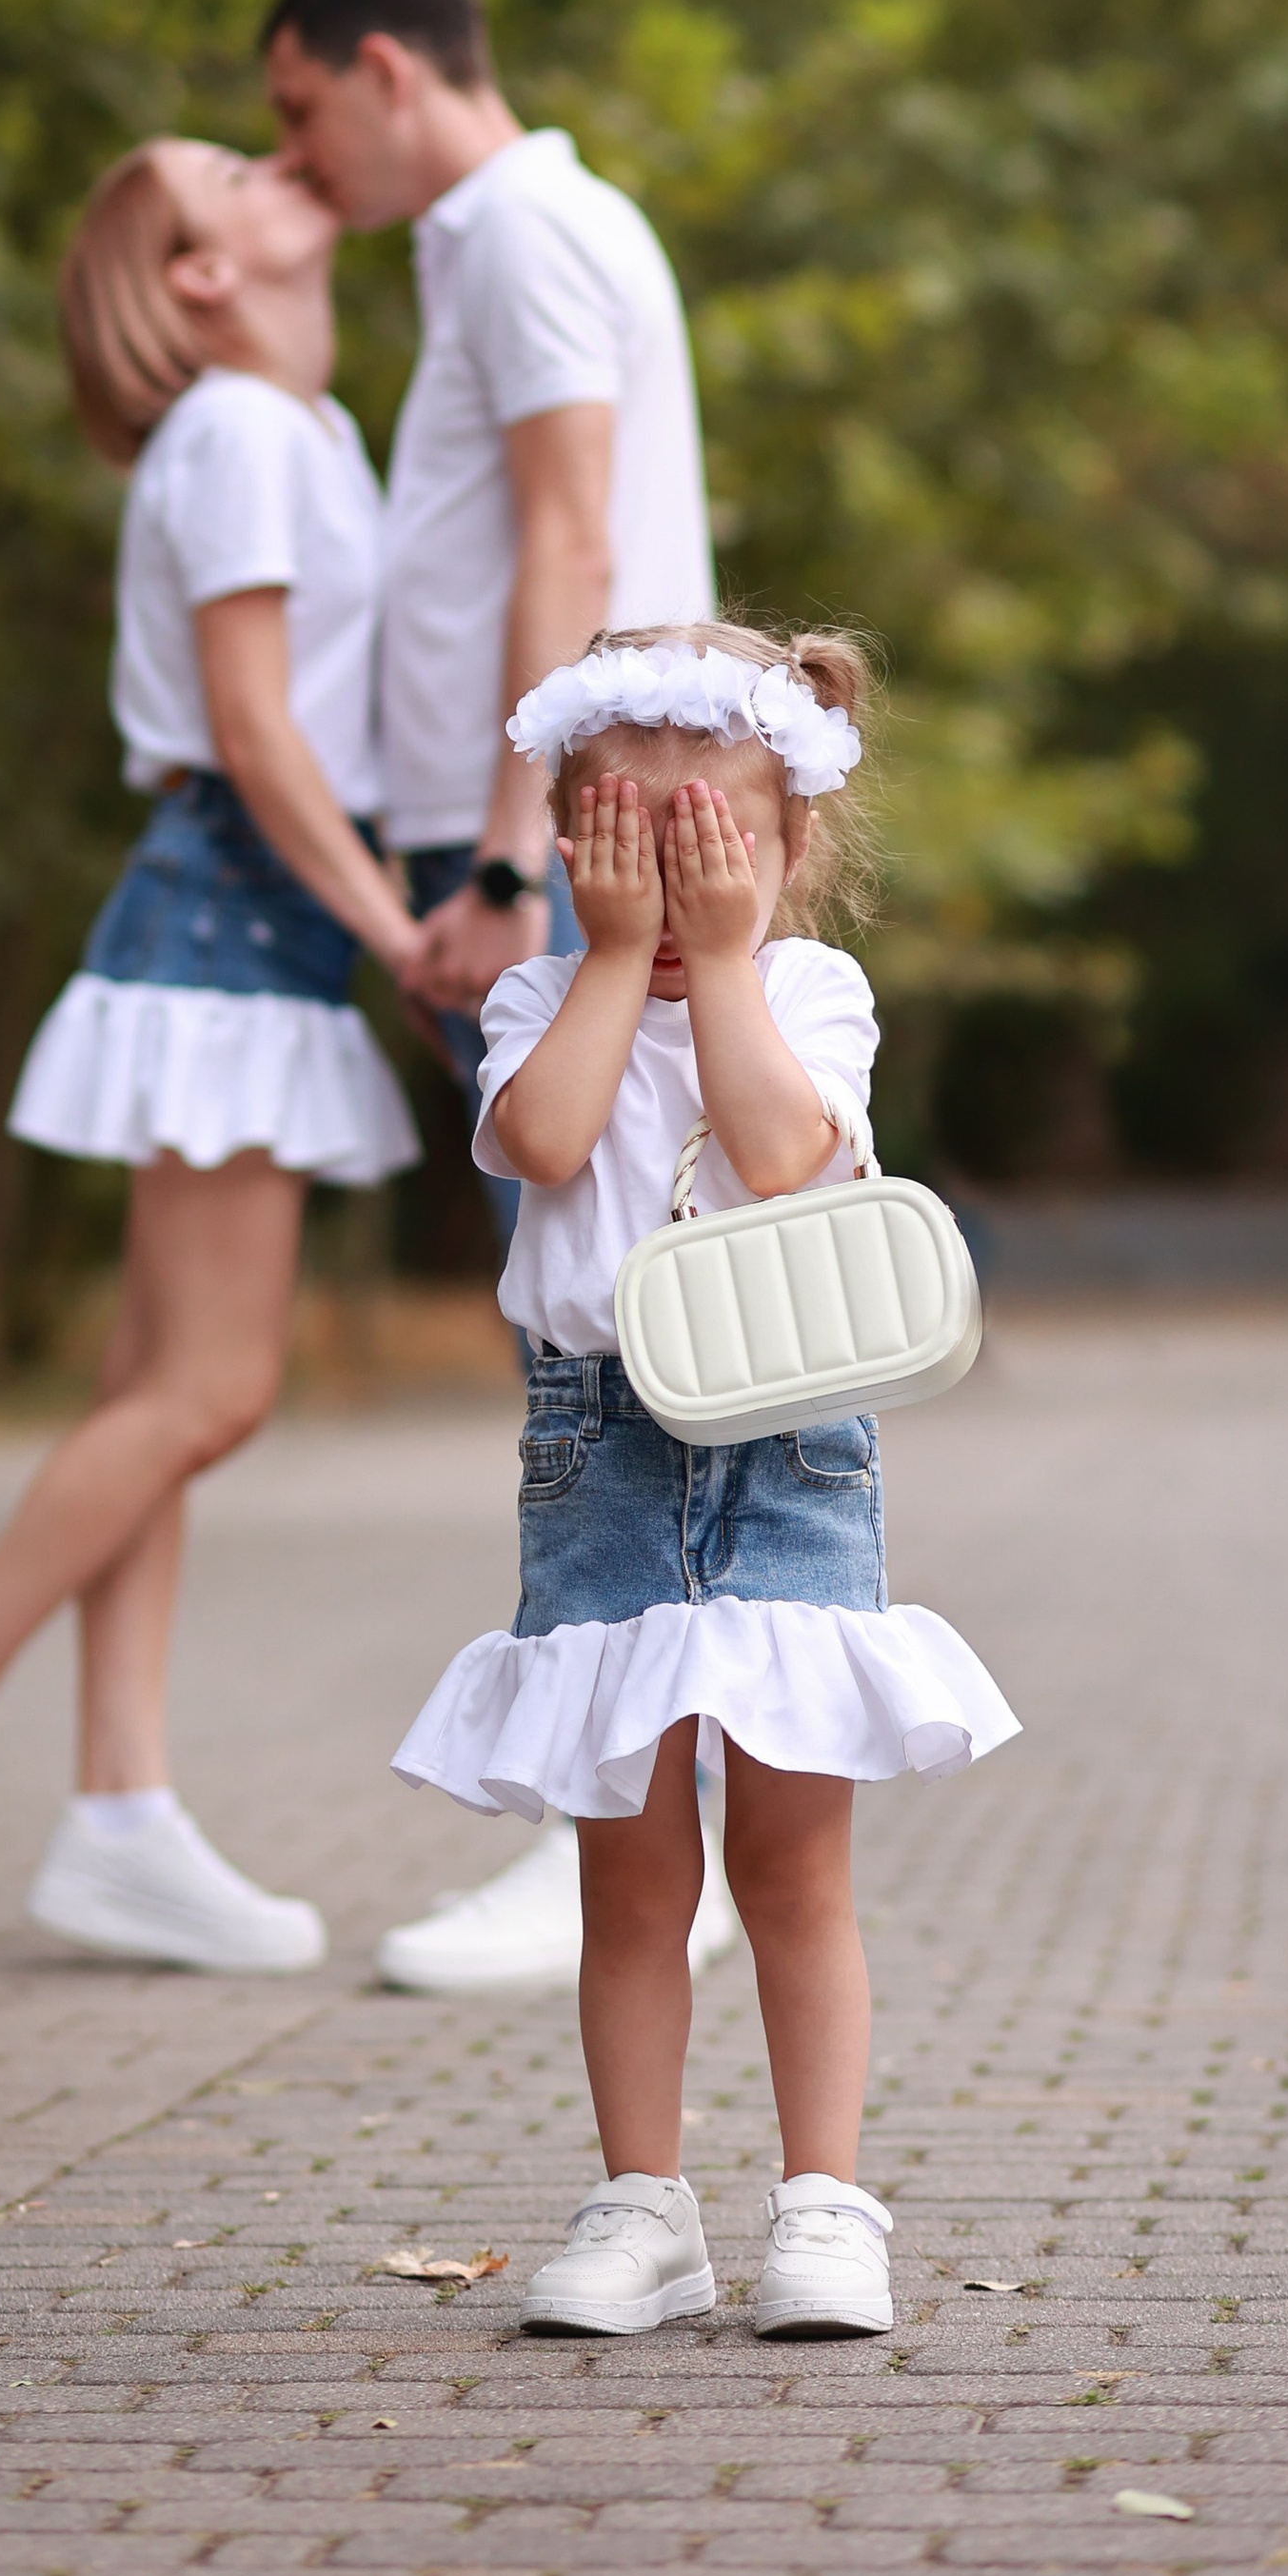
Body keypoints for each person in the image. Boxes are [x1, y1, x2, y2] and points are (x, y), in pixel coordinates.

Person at [0, 138, 425, 1977]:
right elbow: (249, 721)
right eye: (227, 168)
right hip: (235, 911)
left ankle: (122, 1816)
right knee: (208, 1394)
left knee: (159, 1386)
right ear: (201, 273)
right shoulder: (233, 431)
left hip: (254, 923)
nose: (277, 154)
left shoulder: (307, 430)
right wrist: (392, 924)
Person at [393, 622, 1020, 2335]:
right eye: (623, 842)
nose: (664, 887)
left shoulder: (813, 994)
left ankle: (824, 2204)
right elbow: (542, 1146)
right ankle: (643, 2205)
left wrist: (726, 962)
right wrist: (606, 958)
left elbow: (780, 1152)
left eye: (701, 846)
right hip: (596, 1449)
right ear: (570, 838)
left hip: (788, 1447)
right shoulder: (543, 994)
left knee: (794, 1867)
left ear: (784, 844)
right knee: (630, 1869)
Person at [261, 0, 731, 1991]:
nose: (297, 169)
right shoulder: (502, 236)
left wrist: (490, 852)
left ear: (384, 67)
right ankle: (630, 1830)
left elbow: (564, 532)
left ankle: (620, 1850)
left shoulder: (520, 226)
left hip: (565, 850)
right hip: (565, 847)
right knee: (580, 1329)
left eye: (297, 112)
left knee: (594, 1341)